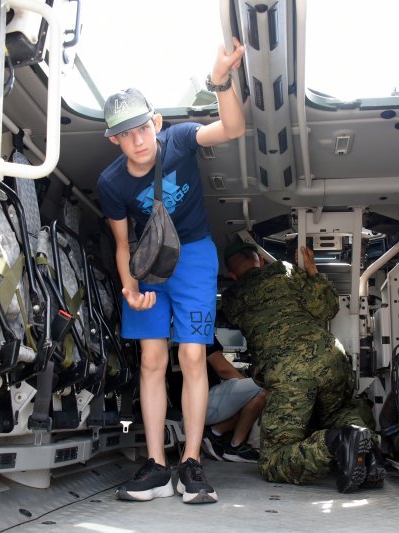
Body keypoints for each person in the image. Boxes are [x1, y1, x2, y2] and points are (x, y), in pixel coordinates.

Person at [96, 39, 247, 504]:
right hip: (148, 262)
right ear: (114, 140)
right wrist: (129, 287)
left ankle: (192, 463)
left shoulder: (179, 140)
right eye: (127, 133)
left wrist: (220, 81)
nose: (139, 139)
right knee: (151, 360)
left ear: (156, 123)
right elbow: (123, 245)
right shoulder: (111, 183)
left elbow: (234, 128)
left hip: (196, 255)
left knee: (194, 357)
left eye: (143, 127)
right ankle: (158, 465)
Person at [221, 241, 386, 493]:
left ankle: (336, 443)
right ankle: (367, 448)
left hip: (289, 374)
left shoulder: (232, 297)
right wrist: (312, 272)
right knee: (336, 413)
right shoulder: (284, 272)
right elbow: (326, 308)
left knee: (273, 459)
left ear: (232, 274)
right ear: (261, 260)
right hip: (331, 359)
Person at [170, 339, 267, 463]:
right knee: (264, 388)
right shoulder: (199, 329)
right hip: (204, 403)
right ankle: (233, 445)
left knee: (251, 397)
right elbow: (223, 369)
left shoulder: (171, 335)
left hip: (181, 407)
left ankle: (216, 433)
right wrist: (247, 390)